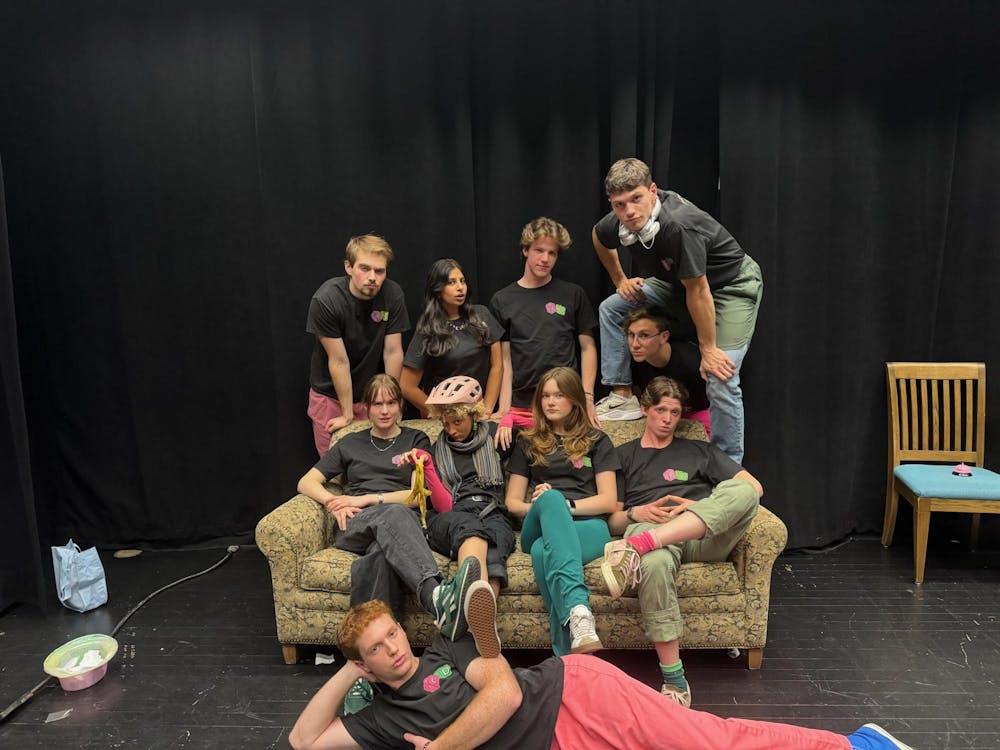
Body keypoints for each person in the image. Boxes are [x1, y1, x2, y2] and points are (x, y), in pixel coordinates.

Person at [288, 597, 917, 750]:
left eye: (394, 632)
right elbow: (301, 743)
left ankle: (853, 745)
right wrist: (344, 671)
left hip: (573, 695)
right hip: (558, 743)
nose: (395, 649)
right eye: (377, 648)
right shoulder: (378, 721)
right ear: (366, 662)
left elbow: (505, 693)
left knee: (710, 741)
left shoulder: (444, 653)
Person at [600, 376, 763, 708]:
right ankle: (675, 680)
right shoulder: (622, 456)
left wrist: (701, 507)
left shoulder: (699, 450)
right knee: (655, 563)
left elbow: (753, 489)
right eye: (661, 410)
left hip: (701, 533)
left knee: (744, 491)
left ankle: (644, 544)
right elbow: (611, 520)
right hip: (647, 526)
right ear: (645, 409)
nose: (667, 419)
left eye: (674, 412)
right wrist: (635, 512)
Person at [591, 157, 762, 464]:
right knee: (613, 308)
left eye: (636, 199)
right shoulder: (618, 221)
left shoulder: (679, 225)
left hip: (729, 286)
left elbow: (699, 290)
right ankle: (622, 396)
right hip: (677, 282)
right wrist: (619, 280)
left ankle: (728, 467)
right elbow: (599, 237)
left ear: (653, 191)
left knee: (719, 374)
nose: (628, 212)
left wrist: (708, 349)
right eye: (619, 204)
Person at [296, 374, 473, 641]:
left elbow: (416, 497)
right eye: (377, 404)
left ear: (401, 405)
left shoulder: (417, 439)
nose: (385, 410)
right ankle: (436, 596)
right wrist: (333, 502)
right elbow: (306, 482)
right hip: (355, 523)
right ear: (366, 407)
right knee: (392, 516)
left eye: (391, 403)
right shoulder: (349, 442)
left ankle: (371, 645)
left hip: (400, 522)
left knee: (380, 555)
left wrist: (366, 498)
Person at [504, 367, 620, 655]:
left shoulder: (597, 441)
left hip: (590, 527)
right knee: (551, 500)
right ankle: (579, 606)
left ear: (575, 400)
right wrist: (546, 506)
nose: (550, 402)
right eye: (545, 396)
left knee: (545, 553)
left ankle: (566, 655)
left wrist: (565, 506)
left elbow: (608, 501)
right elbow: (513, 503)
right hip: (538, 525)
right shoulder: (526, 442)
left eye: (559, 395)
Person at [489, 217, 600, 446]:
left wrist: (587, 396)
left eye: (552, 253)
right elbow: (505, 361)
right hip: (523, 405)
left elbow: (588, 348)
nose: (545, 259)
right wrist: (505, 409)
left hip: (566, 402)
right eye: (539, 250)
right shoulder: (502, 300)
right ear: (525, 250)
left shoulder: (573, 294)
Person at [411, 375, 516, 600]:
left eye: (457, 422)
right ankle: (471, 605)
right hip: (452, 515)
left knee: (497, 544)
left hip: (492, 512)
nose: (451, 430)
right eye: (445, 424)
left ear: (474, 415)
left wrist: (511, 419)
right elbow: (442, 507)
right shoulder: (435, 450)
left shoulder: (495, 435)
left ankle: (479, 621)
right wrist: (427, 467)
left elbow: (544, 425)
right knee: (469, 528)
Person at [306, 234, 410, 456]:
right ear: (349, 267)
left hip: (372, 396)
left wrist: (393, 403)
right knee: (336, 467)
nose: (372, 277)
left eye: (379, 271)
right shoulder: (327, 299)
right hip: (331, 396)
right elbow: (339, 360)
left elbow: (392, 352)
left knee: (376, 465)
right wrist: (346, 415)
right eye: (364, 268)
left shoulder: (392, 294)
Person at [400, 259, 503, 416]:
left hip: (479, 413)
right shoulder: (428, 329)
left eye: (462, 281)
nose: (460, 287)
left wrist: (486, 408)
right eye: (451, 282)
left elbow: (497, 365)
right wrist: (441, 414)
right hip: (447, 420)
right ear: (438, 289)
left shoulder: (482, 314)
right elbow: (407, 386)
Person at [624, 306, 711, 436]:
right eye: (631, 335)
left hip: (697, 412)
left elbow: (708, 404)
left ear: (664, 337)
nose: (634, 344)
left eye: (644, 335)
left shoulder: (691, 363)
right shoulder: (635, 360)